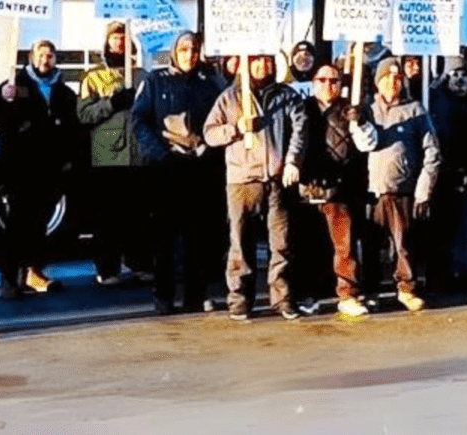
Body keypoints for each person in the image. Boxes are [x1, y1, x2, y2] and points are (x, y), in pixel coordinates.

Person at [203, 54, 308, 321]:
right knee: (240, 242)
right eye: (256, 60)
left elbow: (300, 128)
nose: (262, 66)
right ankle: (239, 299)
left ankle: (282, 297)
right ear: (247, 63)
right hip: (242, 180)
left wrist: (293, 160)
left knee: (281, 243)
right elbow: (210, 133)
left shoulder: (287, 96)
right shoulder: (229, 97)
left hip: (276, 179)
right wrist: (235, 128)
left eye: (267, 60)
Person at [132, 31, 226, 313]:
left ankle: (195, 296)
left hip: (201, 165)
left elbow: (222, 118)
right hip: (166, 167)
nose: (189, 54)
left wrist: (209, 150)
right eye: (184, 49)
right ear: (174, 51)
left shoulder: (210, 82)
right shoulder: (155, 81)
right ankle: (163, 296)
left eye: (194, 49)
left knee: (199, 235)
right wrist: (159, 153)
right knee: (164, 236)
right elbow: (139, 120)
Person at [0, 39, 80, 298]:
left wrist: (69, 161)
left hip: (50, 169)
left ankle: (33, 271)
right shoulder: (15, 85)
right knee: (17, 224)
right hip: (19, 167)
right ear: (31, 57)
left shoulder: (64, 93)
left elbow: (73, 129)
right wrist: (3, 100)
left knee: (40, 225)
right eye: (41, 55)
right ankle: (8, 277)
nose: (45, 60)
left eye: (50, 55)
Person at [350, 57, 440, 312]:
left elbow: (431, 152)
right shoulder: (367, 109)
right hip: (373, 191)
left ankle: (407, 288)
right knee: (370, 246)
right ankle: (371, 290)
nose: (392, 81)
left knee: (404, 244)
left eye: (397, 77)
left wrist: (423, 190)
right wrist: (357, 120)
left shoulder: (415, 110)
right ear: (377, 82)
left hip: (403, 189)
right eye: (387, 77)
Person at [293, 61, 369, 317]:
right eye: (323, 80)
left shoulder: (350, 111)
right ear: (313, 84)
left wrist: (360, 121)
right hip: (310, 188)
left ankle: (347, 294)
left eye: (334, 81)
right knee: (309, 247)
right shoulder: (302, 109)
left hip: (340, 188)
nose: (328, 85)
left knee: (344, 246)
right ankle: (308, 295)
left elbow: (365, 144)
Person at [77, 21, 148, 285]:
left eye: (124, 38)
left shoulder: (142, 76)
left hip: (138, 154)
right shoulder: (93, 77)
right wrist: (112, 103)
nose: (119, 43)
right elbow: (84, 114)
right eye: (115, 38)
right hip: (107, 154)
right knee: (107, 218)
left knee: (138, 215)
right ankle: (108, 269)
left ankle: (139, 263)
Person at [429, 56, 467, 291]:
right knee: (447, 227)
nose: (459, 80)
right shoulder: (439, 103)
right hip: (446, 173)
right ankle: (447, 272)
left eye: (463, 75)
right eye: (454, 75)